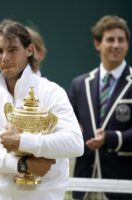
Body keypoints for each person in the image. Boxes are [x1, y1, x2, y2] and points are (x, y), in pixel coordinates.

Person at [0, 19, 84, 200]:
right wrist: (23, 165)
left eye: (12, 49)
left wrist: (22, 141)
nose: (5, 57)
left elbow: (75, 144)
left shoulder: (52, 92)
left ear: (30, 50)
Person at [69, 15, 132, 200]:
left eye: (121, 40)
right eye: (110, 39)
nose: (116, 45)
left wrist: (110, 139)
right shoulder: (79, 84)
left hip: (122, 185)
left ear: (127, 44)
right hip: (84, 183)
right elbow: (69, 125)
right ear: (98, 43)